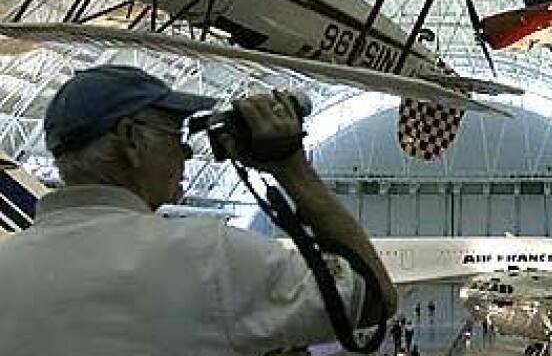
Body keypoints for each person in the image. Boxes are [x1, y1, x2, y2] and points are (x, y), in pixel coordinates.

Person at [0, 65, 397, 354]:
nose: (186, 150)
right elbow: (373, 300)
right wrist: (292, 168)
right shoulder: (209, 255)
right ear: (130, 139)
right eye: (174, 133)